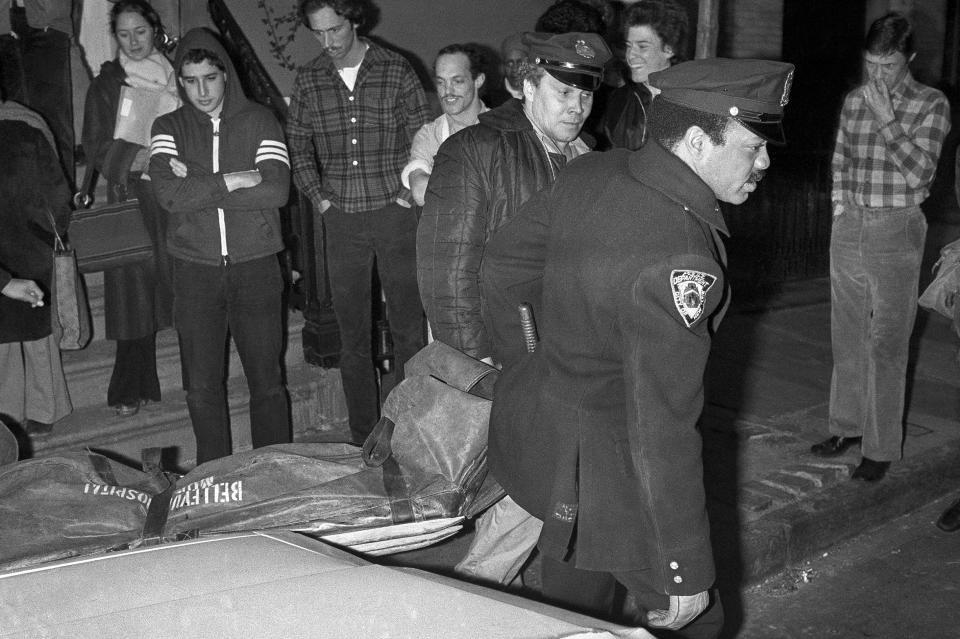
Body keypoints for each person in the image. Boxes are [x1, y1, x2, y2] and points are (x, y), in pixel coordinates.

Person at [483, 58, 795, 638]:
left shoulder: (593, 172)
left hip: (549, 441)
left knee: (575, 615)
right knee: (700, 623)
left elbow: (503, 267)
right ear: (698, 141)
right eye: (753, 147)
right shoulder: (681, 256)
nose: (765, 162)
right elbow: (663, 425)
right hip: (618, 481)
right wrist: (683, 568)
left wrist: (532, 360)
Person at [418, 31, 611, 586]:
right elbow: (446, 269)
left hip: (567, 360)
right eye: (562, 93)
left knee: (543, 485)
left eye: (586, 95)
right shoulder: (475, 150)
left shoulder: (590, 159)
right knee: (536, 486)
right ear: (528, 86)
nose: (576, 108)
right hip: (505, 358)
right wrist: (475, 366)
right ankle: (470, 598)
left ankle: (501, 600)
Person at [811, 12, 951, 482]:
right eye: (871, 63)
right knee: (846, 334)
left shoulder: (932, 104)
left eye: (887, 65)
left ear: (908, 59)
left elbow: (920, 174)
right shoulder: (854, 101)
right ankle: (846, 426)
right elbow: (841, 160)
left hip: (899, 227)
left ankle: (881, 445)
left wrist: (889, 120)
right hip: (852, 223)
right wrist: (838, 211)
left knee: (886, 343)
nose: (877, 75)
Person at [286, 0, 431, 444]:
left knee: (409, 330)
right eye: (318, 33)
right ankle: (362, 437)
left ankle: (410, 431)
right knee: (352, 338)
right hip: (342, 220)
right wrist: (321, 200)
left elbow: (422, 137)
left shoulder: (396, 69)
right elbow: (298, 148)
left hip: (395, 215)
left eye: (335, 30)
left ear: (354, 21)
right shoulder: (309, 80)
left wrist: (407, 195)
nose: (328, 42)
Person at [149, 28, 292, 464]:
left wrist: (195, 179)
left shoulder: (260, 121)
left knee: (267, 381)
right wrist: (233, 178)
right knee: (201, 387)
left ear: (226, 75)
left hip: (256, 268)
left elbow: (276, 191)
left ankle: (274, 471)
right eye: (190, 81)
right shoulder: (167, 126)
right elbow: (169, 196)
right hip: (194, 272)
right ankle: (214, 473)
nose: (201, 91)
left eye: (210, 77)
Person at [81, 0, 179, 418]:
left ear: (154, 30)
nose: (134, 41)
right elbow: (95, 146)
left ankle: (196, 380)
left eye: (140, 31)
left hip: (178, 197)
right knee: (134, 297)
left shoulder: (179, 74)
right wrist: (136, 158)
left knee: (181, 289)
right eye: (124, 34)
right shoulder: (105, 85)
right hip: (133, 198)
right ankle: (128, 386)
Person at [0, 99, 74, 438]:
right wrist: (49, 233)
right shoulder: (27, 124)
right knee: (37, 330)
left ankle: (8, 417)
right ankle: (45, 410)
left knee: (9, 337)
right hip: (32, 243)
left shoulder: (26, 125)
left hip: (19, 250)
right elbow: (57, 193)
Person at [401, 44, 488, 208]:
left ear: (478, 80)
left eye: (457, 81)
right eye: (441, 82)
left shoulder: (503, 128)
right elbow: (420, 192)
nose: (448, 91)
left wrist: (440, 183)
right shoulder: (429, 134)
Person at [0, 0, 76, 185]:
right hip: (2, 24)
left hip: (49, 20)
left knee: (55, 122)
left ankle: (65, 206)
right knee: (11, 122)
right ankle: (21, 205)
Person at [601, 0, 689, 151]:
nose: (631, 56)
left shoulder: (693, 101)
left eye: (642, 46)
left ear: (669, 49)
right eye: (629, 46)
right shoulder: (619, 100)